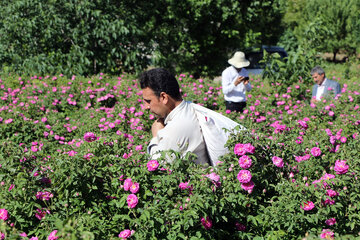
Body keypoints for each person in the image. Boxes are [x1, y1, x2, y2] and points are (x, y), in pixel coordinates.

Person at [139, 68, 210, 165]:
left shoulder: (174, 130)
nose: (146, 107)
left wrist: (155, 137)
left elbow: (158, 165)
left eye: (148, 101)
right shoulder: (189, 108)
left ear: (164, 97)